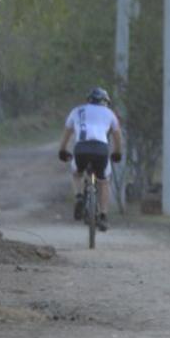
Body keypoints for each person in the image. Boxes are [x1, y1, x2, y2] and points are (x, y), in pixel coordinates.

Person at [58, 87, 123, 231]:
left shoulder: (77, 111)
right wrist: (117, 152)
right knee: (103, 181)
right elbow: (117, 136)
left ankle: (79, 196)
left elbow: (67, 133)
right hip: (101, 149)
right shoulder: (109, 113)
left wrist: (62, 150)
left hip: (81, 148)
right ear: (105, 102)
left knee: (77, 173)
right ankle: (104, 216)